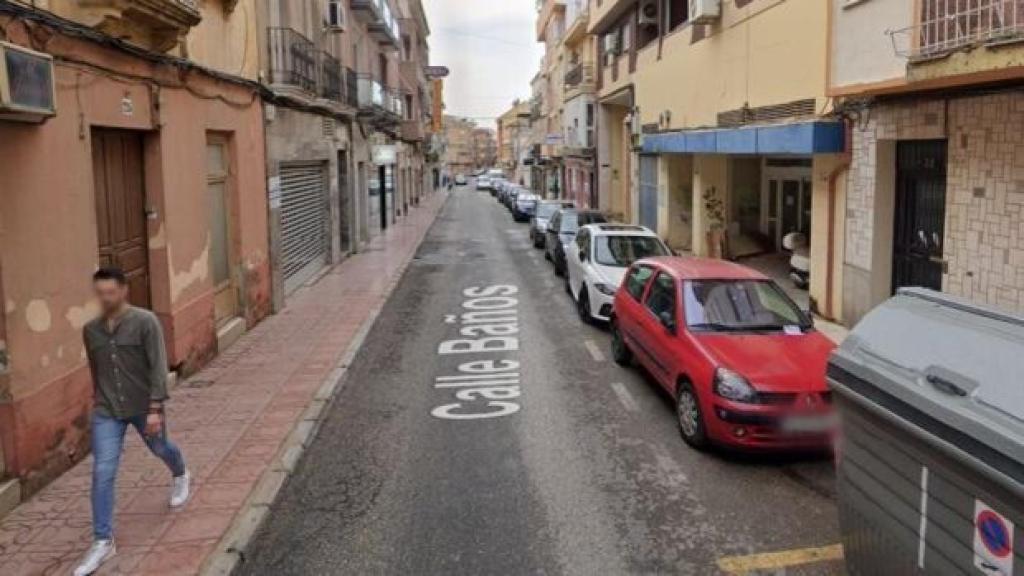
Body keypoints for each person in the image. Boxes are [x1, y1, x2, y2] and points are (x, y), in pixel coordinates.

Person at [73, 268, 190, 576]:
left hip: (143, 405)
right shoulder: (91, 330)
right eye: (100, 293)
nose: (105, 298)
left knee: (161, 447)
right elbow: (96, 370)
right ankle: (102, 541)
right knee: (102, 470)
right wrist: (97, 402)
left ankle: (181, 473)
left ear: (123, 291)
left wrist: (154, 408)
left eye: (110, 292)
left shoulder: (145, 322)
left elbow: (157, 366)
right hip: (108, 410)